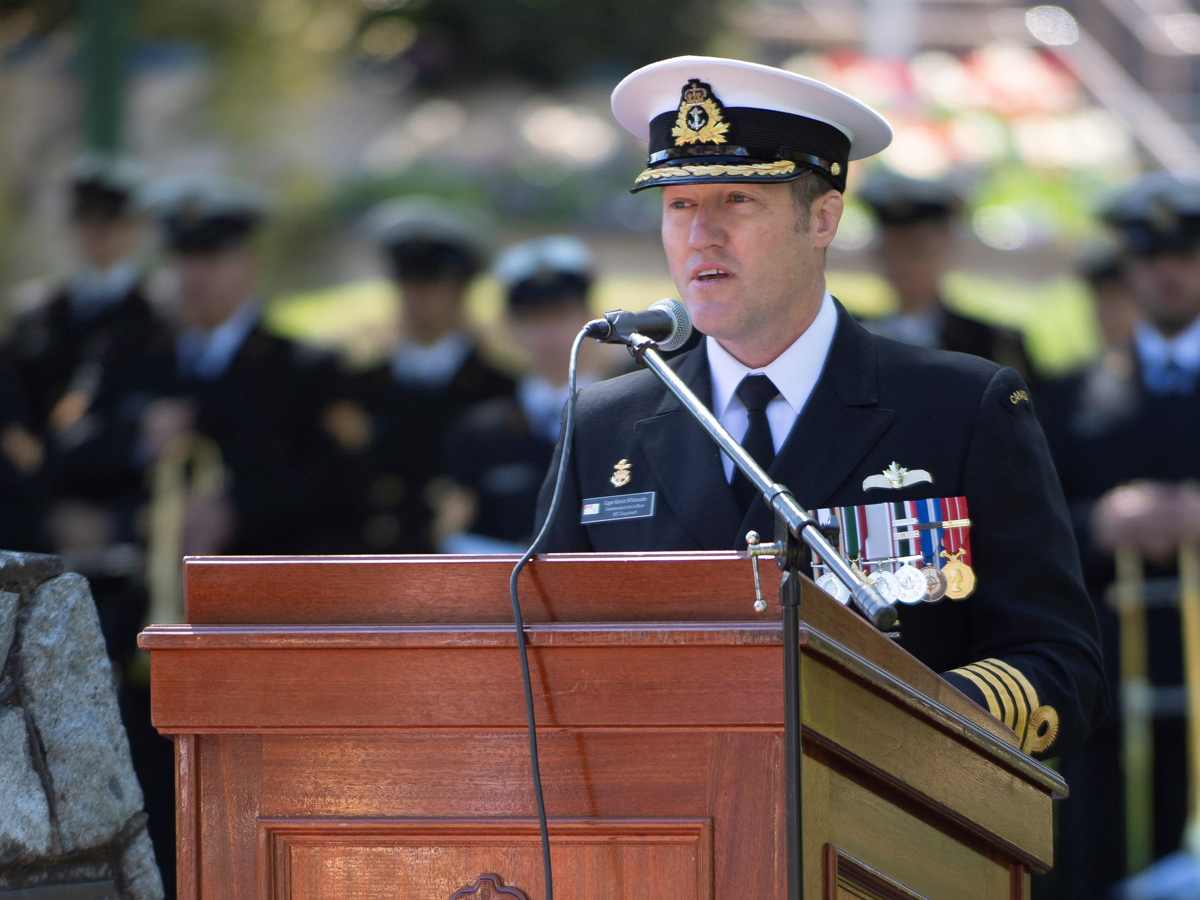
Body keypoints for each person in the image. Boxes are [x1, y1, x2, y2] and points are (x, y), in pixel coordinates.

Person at [534, 56, 1105, 759]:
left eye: (737, 201)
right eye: (679, 204)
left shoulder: (960, 407)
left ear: (823, 218)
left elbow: (1056, 662)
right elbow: (546, 657)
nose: (700, 235)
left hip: (887, 833)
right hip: (669, 833)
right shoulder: (603, 426)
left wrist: (906, 728)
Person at [1043, 172, 1200, 898]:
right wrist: (1103, 521)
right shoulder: (1070, 397)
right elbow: (1029, 534)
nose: (1168, 272)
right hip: (1113, 697)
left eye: (1185, 254)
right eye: (1150, 257)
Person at [340, 198, 516, 553]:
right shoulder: (360, 384)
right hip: (372, 562)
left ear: (461, 287)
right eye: (408, 280)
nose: (417, 295)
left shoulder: (500, 389)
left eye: (432, 281)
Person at [442, 236, 601, 552]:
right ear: (510, 327)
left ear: (589, 317)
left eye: (560, 314)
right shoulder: (479, 432)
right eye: (532, 318)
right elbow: (454, 534)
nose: (548, 333)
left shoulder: (635, 412)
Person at [7, 153, 156, 443]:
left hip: (116, 478)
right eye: (85, 220)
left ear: (132, 228)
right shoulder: (36, 311)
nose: (96, 234)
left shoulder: (156, 313)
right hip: (36, 470)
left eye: (108, 222)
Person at [855, 172, 1036, 383]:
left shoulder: (993, 343)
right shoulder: (858, 335)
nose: (902, 265)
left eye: (916, 251)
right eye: (889, 252)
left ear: (948, 249)